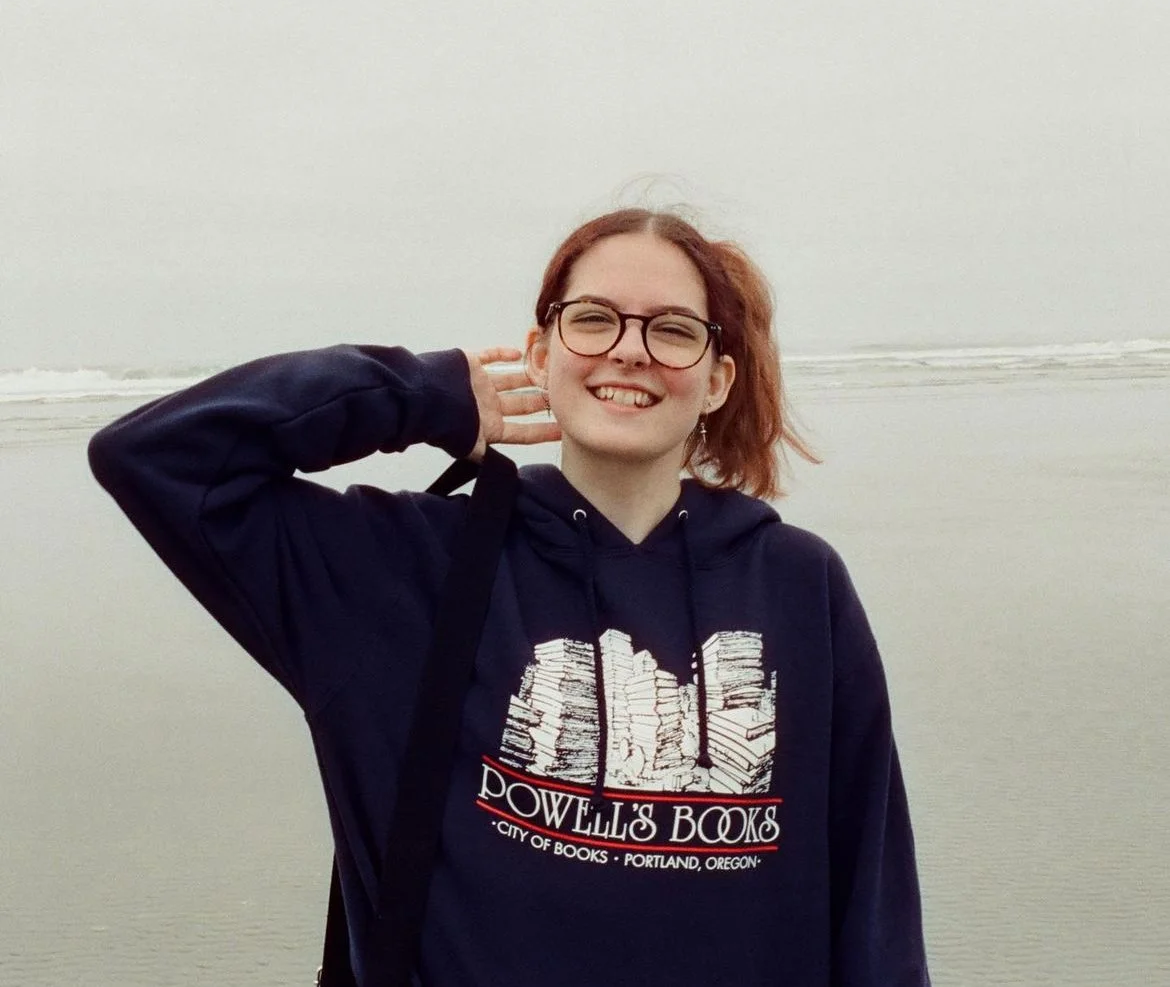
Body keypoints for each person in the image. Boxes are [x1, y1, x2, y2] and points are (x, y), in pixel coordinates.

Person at [88, 208, 931, 986]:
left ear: (717, 379)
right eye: (594, 318)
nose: (629, 350)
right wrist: (417, 396)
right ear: (539, 354)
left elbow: (873, 902)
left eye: (673, 329)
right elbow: (155, 457)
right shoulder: (405, 571)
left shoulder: (799, 587)